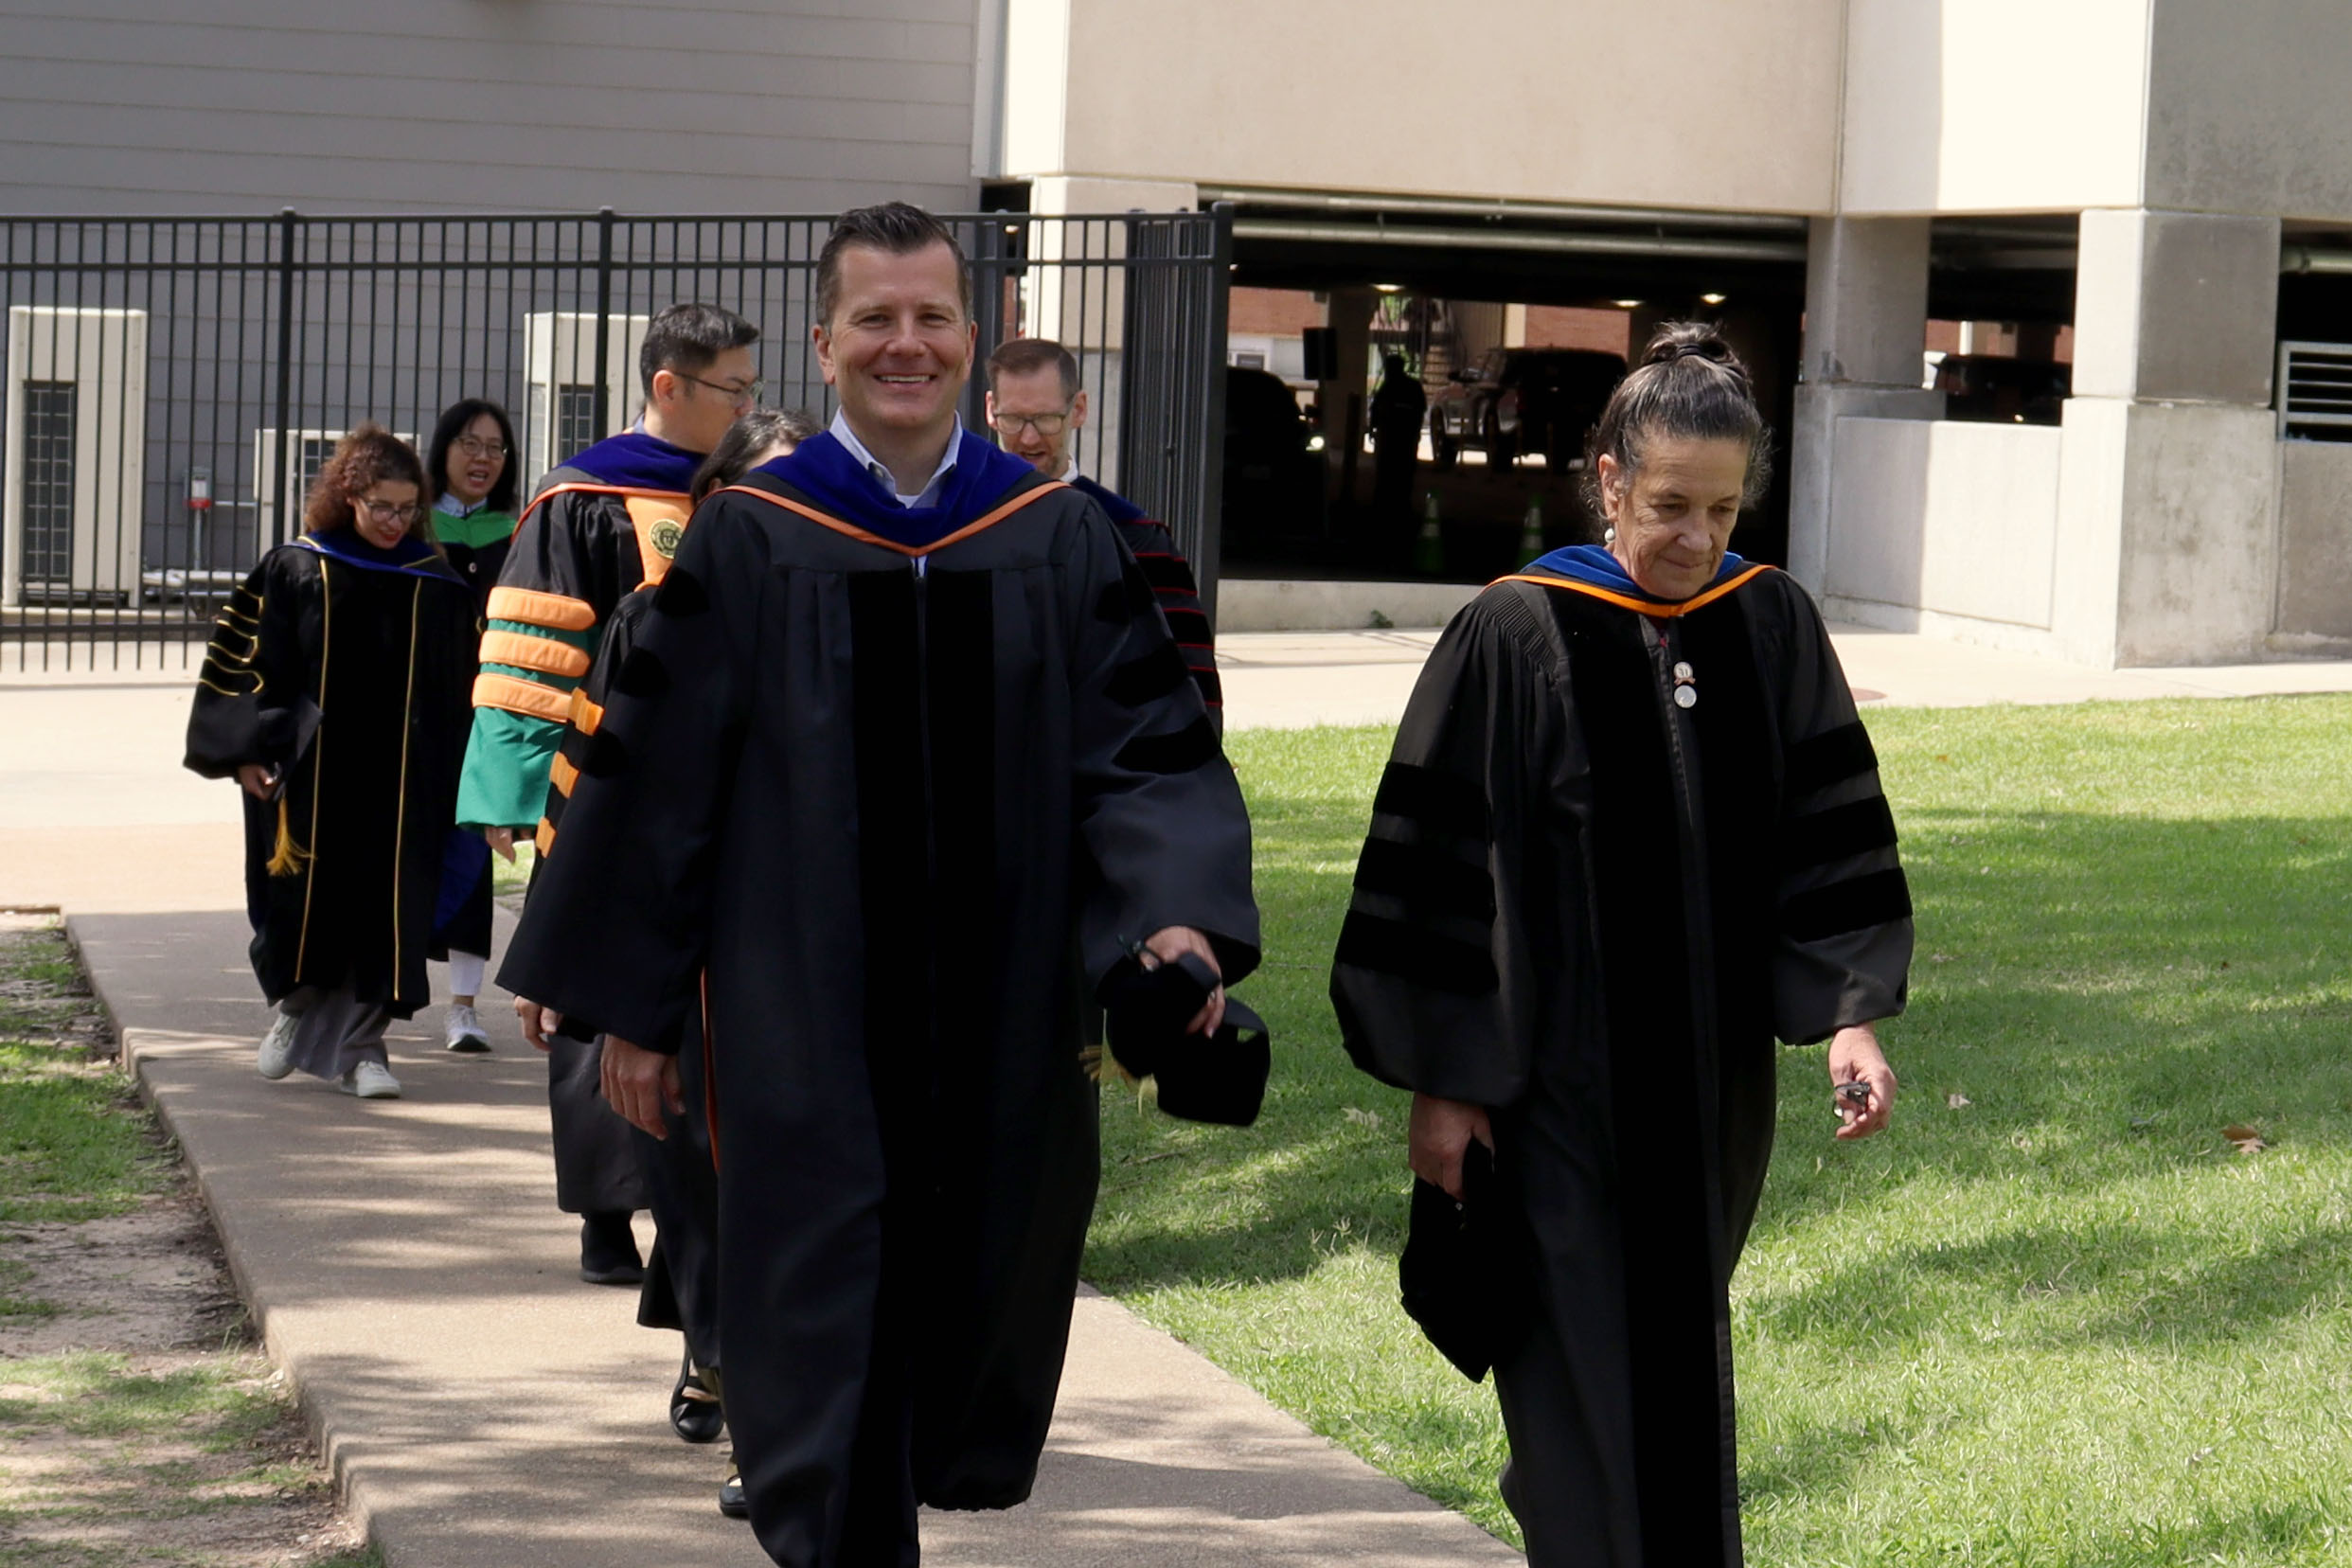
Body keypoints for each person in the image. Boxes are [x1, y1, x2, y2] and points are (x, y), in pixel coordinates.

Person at [498, 202, 1259, 1568]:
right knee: (814, 1339)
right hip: (799, 1023)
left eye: (929, 318)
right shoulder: (752, 537)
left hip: (1004, 1023)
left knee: (964, 1320)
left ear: (974, 337)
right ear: (826, 341)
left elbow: (1143, 754)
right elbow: (662, 783)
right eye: (874, 321)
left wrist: (1177, 916)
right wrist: (637, 1009)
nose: (903, 346)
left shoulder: (1055, 534)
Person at [1328, 323, 1912, 1568]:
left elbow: (1828, 834)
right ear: (1606, 483)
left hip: (1709, 1100)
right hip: (1555, 1094)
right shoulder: (1519, 632)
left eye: (1721, 508)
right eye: (1666, 506)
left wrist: (1847, 1012)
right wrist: (1446, 1086)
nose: (1695, 537)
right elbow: (1441, 876)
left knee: (1671, 1365)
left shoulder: (1770, 626)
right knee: (1577, 1380)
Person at [531, 403, 819, 1523]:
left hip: (815, 966)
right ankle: (734, 1380)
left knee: (789, 1203)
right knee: (698, 1194)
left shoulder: (865, 612)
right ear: (710, 509)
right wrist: (567, 962)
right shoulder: (649, 621)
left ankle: (770, 1414)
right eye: (763, 495)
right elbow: (594, 802)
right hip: (687, 968)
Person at [458, 301, 762, 1286]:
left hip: (716, 794)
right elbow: (530, 644)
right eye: (735, 390)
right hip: (594, 786)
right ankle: (602, 1210)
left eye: (753, 388)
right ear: (668, 387)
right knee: (592, 987)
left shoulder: (749, 489)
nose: (749, 404)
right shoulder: (585, 497)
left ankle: (688, 1206)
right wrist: (507, 787)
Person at [185, 425, 477, 1102]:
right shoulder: (296, 567)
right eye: (381, 506)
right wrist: (246, 754)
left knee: (390, 908)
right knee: (304, 905)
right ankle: (295, 1005)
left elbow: (460, 686)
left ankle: (364, 1051)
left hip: (406, 779)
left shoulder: (432, 584)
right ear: (349, 496)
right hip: (313, 773)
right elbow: (248, 666)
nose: (393, 522)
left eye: (407, 509)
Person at [983, 337, 1220, 718]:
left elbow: (1188, 690)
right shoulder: (959, 525)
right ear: (991, 410)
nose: (1028, 438)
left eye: (1046, 419)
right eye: (1013, 419)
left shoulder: (1137, 539)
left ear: (1078, 409)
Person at [421, 397, 522, 1054]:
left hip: (483, 713)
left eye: (494, 447)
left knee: (473, 857)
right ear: (443, 449)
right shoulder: (411, 524)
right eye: (469, 443)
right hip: (421, 710)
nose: (482, 458)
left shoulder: (517, 528)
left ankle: (462, 1007)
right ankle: (379, 995)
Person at [1369, 351, 1427, 543]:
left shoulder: (1388, 386)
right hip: (1403, 438)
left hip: (1394, 437)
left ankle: (1386, 507)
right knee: (1402, 473)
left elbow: (1376, 410)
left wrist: (1373, 428)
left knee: (1388, 472)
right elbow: (1420, 411)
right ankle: (1399, 506)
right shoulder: (1411, 387)